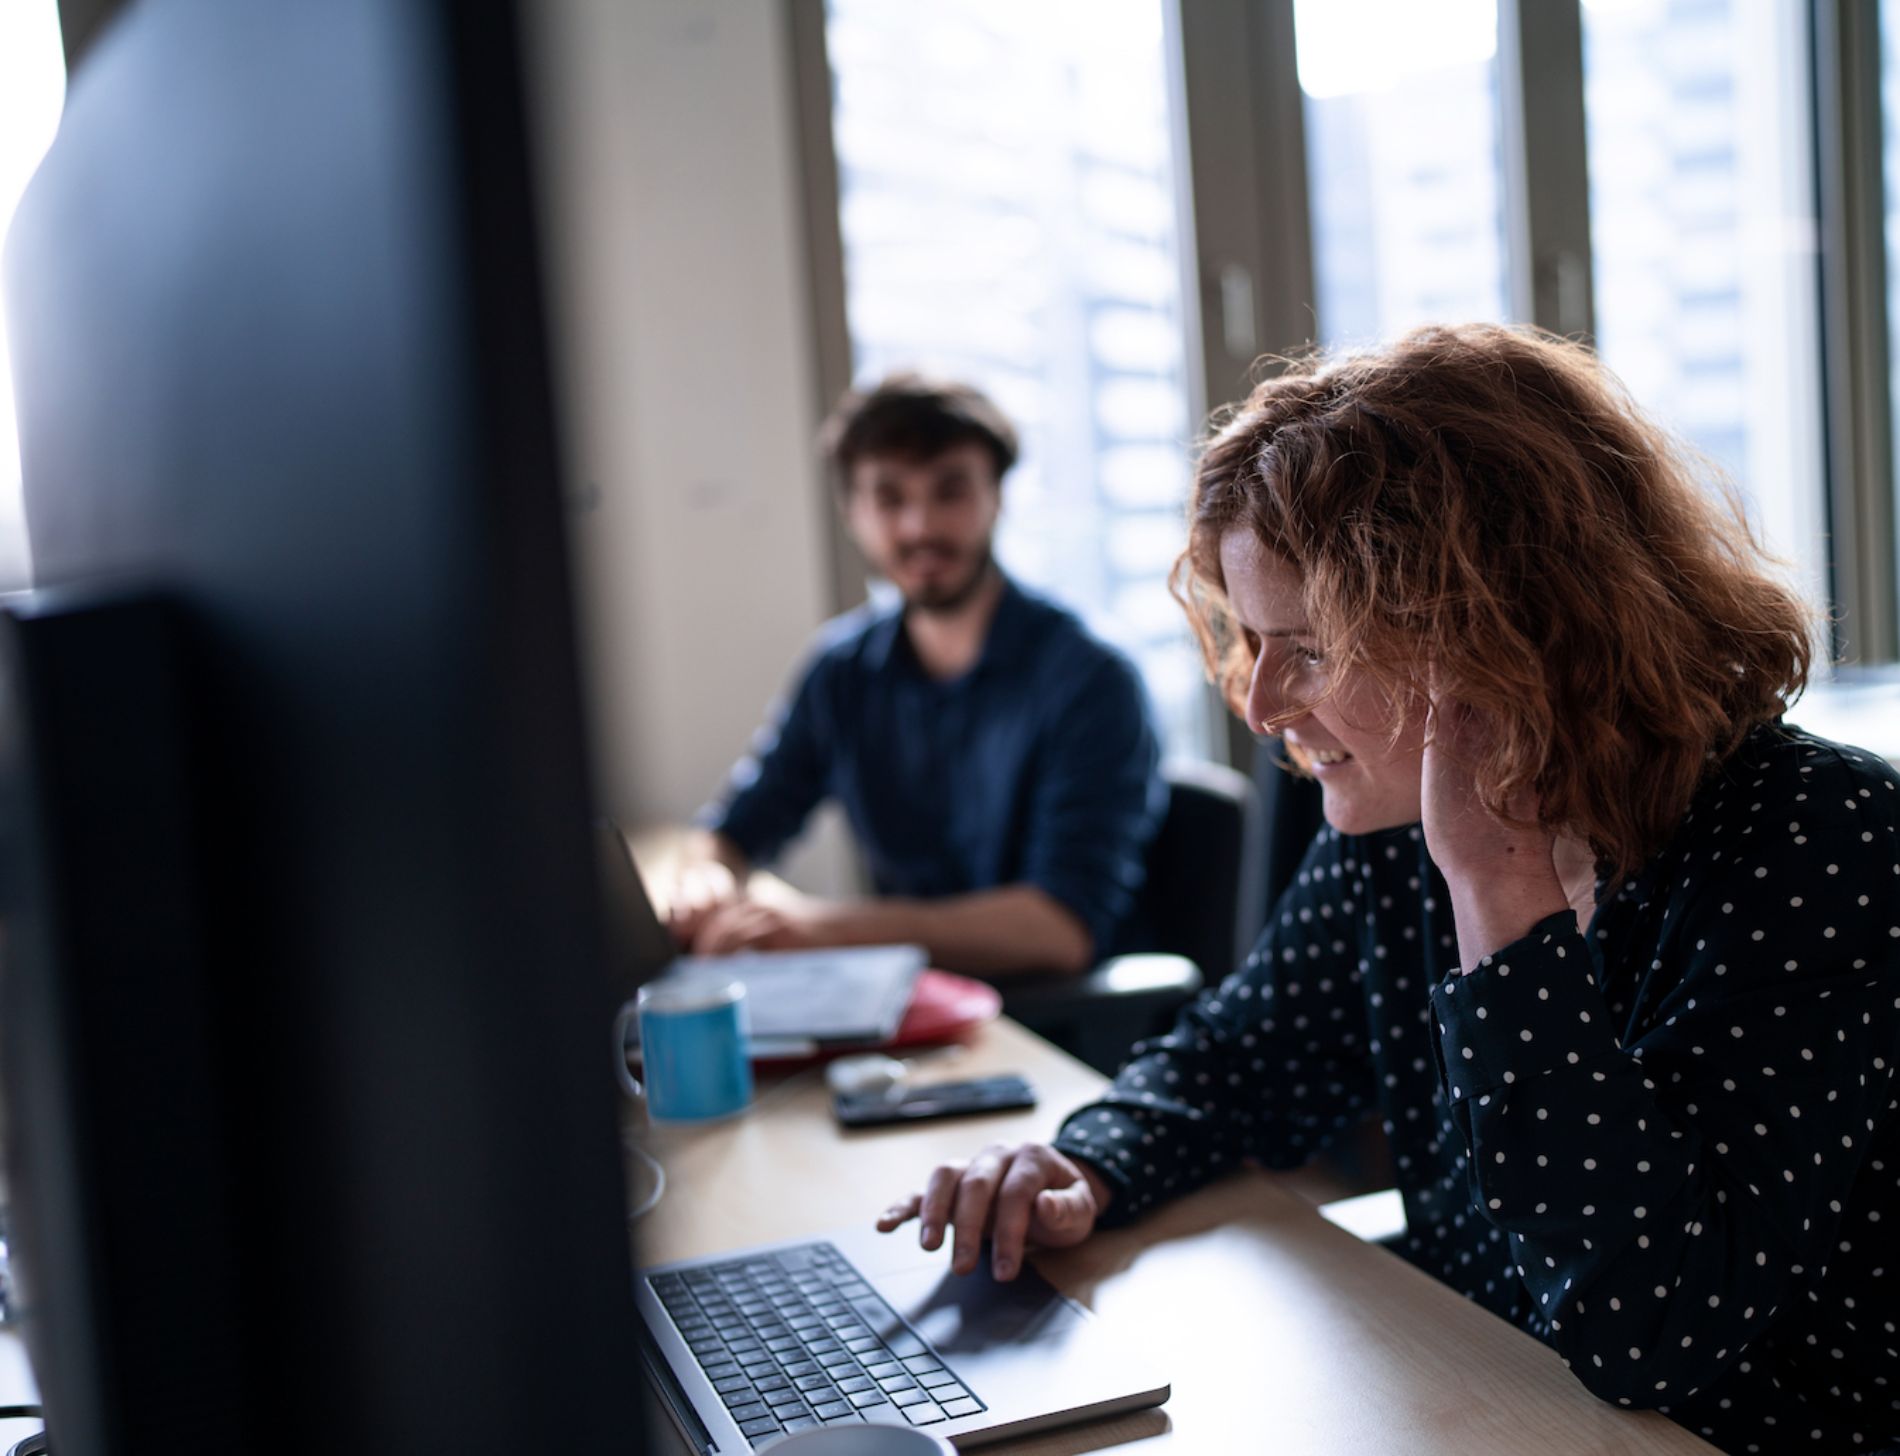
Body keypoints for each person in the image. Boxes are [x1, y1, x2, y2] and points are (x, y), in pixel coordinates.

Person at [877, 324, 1900, 1454]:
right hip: (1490, 1395)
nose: (1261, 704)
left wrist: (1502, 895)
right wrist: (1085, 1155)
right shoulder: (1395, 824)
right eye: (1255, 642)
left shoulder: (1816, 836)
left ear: (1494, 632)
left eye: (1307, 647)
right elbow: (1246, 1057)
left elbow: (1651, 1327)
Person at [668, 373, 1165, 976]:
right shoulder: (841, 671)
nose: (919, 527)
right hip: (901, 1009)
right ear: (852, 513)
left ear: (997, 496)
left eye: (949, 492)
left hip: (1054, 1029)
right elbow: (734, 827)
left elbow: (1058, 930)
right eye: (889, 498)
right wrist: (705, 882)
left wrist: (823, 930)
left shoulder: (1091, 677)